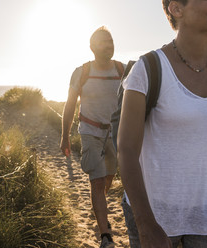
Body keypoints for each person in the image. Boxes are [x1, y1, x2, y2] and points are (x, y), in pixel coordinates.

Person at [117, 0, 207, 248]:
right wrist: (146, 224)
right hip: (156, 213)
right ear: (176, 9)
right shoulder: (148, 69)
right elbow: (127, 151)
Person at [60, 26, 125, 248]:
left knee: (108, 178)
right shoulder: (81, 72)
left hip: (114, 134)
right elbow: (70, 105)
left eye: (111, 41)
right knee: (96, 181)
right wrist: (65, 137)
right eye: (104, 42)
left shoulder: (122, 70)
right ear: (92, 48)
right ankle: (106, 235)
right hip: (90, 132)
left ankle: (98, 205)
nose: (109, 46)